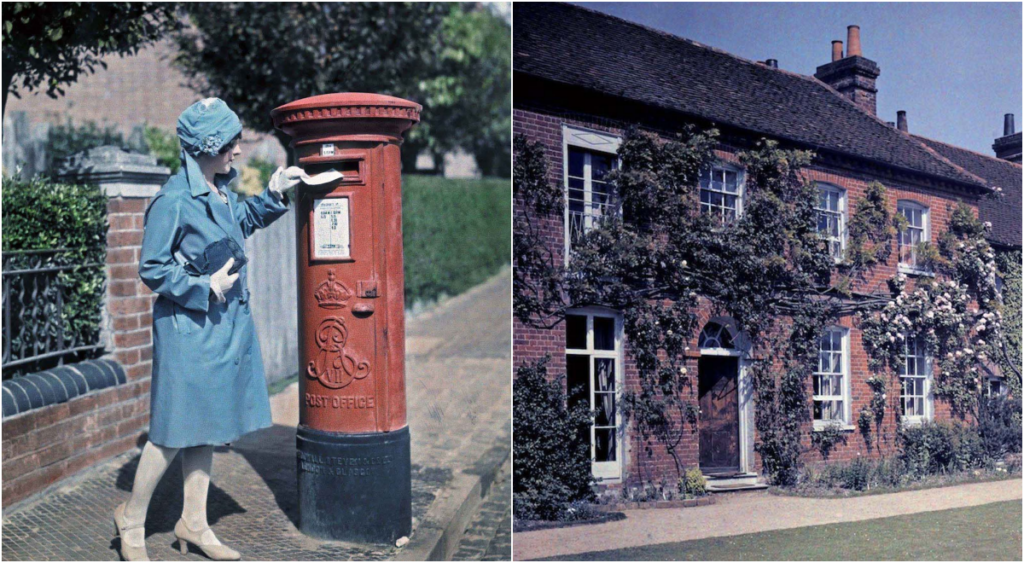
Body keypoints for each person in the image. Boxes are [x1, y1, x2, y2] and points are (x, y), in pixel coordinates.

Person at [113, 98, 302, 561]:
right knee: (173, 431)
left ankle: (193, 523)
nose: (239, 150)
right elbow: (152, 267)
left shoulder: (218, 192)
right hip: (188, 328)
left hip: (221, 326)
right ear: (209, 146)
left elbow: (243, 222)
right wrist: (204, 285)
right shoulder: (174, 199)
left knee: (207, 426)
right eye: (232, 142)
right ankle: (132, 518)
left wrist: (276, 193)